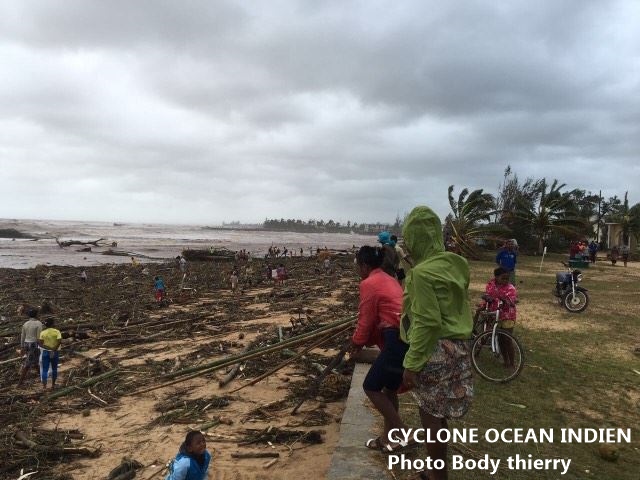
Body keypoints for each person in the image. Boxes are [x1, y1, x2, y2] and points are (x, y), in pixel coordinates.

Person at [400, 206, 473, 480]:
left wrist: (412, 364)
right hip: (460, 346)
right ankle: (436, 470)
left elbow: (427, 322)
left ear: (414, 239)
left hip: (435, 349)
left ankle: (436, 475)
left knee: (429, 413)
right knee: (440, 411)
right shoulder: (458, 263)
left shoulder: (419, 275)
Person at [350, 246, 408, 452]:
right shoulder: (389, 278)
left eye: (358, 265)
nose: (357, 269)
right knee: (389, 390)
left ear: (364, 266)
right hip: (404, 335)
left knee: (371, 386)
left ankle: (402, 435)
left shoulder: (369, 283)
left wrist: (356, 343)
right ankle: (387, 439)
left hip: (396, 340)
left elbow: (365, 320)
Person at [484, 267, 518, 368]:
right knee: (500, 339)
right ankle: (505, 361)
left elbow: (512, 301)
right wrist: (486, 298)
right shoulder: (490, 285)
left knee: (507, 339)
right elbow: (487, 295)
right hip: (496, 315)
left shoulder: (511, 288)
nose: (505, 281)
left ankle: (512, 363)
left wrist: (506, 300)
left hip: (508, 316)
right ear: (496, 277)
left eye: (507, 279)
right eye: (503, 278)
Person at [18, 308, 43, 386]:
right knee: (28, 363)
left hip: (26, 344)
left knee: (35, 361)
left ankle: (42, 377)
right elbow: (39, 337)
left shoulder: (25, 324)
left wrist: (22, 347)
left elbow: (22, 336)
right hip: (34, 344)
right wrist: (42, 346)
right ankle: (20, 382)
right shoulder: (39, 323)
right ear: (36, 315)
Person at [39, 317, 62, 390]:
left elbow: (40, 343)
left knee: (45, 369)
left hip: (45, 352)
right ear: (53, 324)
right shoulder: (57, 331)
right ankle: (53, 385)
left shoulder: (43, 332)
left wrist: (48, 348)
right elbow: (59, 341)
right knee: (54, 368)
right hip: (55, 352)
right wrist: (53, 349)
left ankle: (44, 386)